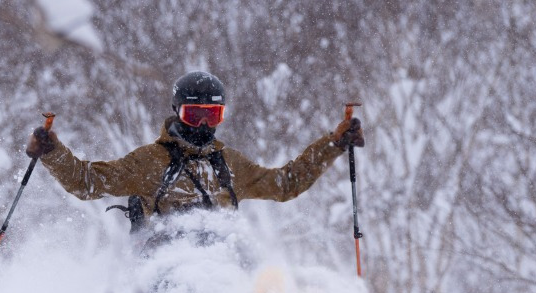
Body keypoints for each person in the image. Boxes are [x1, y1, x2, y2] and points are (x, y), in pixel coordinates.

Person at [22, 71, 364, 240]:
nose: (202, 125)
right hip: (164, 269)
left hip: (223, 266)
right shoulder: (150, 162)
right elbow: (87, 183)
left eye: (211, 116)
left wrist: (333, 144)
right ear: (177, 112)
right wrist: (53, 152)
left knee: (255, 283)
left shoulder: (229, 164)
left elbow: (285, 183)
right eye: (193, 115)